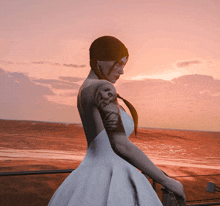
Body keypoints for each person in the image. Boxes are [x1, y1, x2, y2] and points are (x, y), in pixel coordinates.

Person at [48, 36, 185, 206]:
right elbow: (120, 144)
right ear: (102, 60)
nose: (122, 71)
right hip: (111, 174)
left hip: (88, 175)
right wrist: (167, 180)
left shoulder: (84, 88)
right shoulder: (103, 88)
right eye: (118, 64)